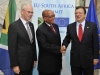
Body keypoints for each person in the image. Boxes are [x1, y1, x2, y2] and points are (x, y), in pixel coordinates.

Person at [62, 6, 99, 75]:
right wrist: (64, 45)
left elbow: (95, 43)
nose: (77, 15)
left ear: (85, 15)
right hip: (75, 60)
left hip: (88, 59)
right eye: (76, 13)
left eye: (80, 13)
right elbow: (67, 39)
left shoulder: (92, 26)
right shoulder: (70, 26)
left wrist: (96, 57)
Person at [8, 4, 37, 75]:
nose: (30, 14)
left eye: (32, 12)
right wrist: (15, 65)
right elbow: (12, 47)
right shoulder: (14, 26)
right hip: (20, 65)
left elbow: (32, 43)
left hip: (30, 63)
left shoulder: (31, 25)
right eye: (28, 12)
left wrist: (34, 58)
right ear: (22, 11)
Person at [36, 9, 64, 75]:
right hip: (46, 66)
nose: (53, 18)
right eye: (50, 16)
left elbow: (57, 41)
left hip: (57, 64)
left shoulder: (55, 26)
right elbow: (44, 45)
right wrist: (59, 48)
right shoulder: (40, 29)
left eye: (53, 16)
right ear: (44, 18)